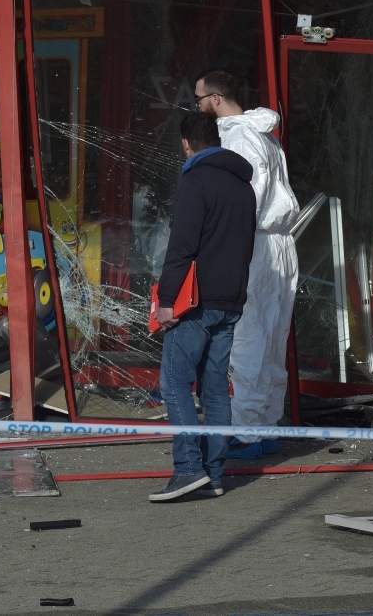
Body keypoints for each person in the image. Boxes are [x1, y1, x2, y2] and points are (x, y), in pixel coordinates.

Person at [193, 67, 301, 459]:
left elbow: (242, 200)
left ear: (215, 100)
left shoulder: (236, 138)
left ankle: (246, 433)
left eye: (199, 98)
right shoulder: (263, 135)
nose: (197, 106)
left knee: (248, 339)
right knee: (270, 339)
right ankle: (265, 426)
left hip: (254, 244)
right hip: (278, 245)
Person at [150, 113, 257, 503]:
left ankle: (188, 469)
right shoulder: (243, 187)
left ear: (186, 143)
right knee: (215, 389)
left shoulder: (196, 182)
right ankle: (214, 474)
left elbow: (181, 247)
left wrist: (165, 301)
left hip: (195, 303)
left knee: (174, 383)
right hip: (231, 301)